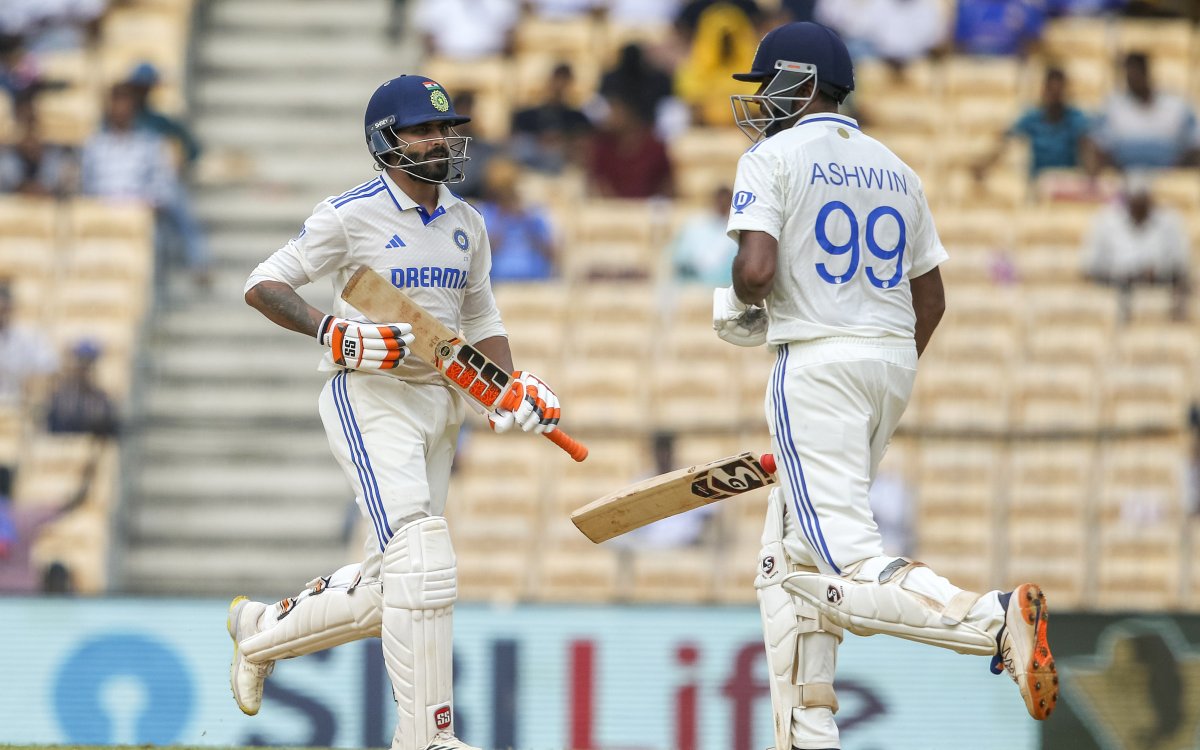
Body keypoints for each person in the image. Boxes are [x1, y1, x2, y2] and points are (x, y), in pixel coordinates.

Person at [715, 22, 1057, 750]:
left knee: (848, 560)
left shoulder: (770, 156)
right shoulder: (898, 168)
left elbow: (754, 272)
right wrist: (884, 371)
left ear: (803, 85)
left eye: (770, 84)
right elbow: (930, 301)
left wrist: (746, 310)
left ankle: (991, 620)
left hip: (815, 365)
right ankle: (810, 733)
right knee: (787, 563)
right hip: (887, 364)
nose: (761, 102)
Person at [227, 74, 564, 750]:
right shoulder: (348, 215)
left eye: (446, 128)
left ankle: (260, 633)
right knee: (424, 556)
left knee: (397, 585)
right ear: (388, 141)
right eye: (426, 129)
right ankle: (428, 738)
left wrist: (508, 388)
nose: (443, 139)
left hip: (438, 404)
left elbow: (479, 316)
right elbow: (261, 283)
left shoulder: (467, 225)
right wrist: (331, 330)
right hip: (369, 395)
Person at [81, 83, 210, 287]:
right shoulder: (94, 146)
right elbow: (86, 186)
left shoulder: (149, 144)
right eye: (116, 104)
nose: (120, 110)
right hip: (103, 217)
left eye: (125, 104)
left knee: (160, 236)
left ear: (133, 108)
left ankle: (167, 286)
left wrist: (146, 202)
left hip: (139, 215)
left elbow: (162, 184)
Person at [1083, 173, 1190, 320]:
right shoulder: (1105, 220)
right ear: (1127, 200)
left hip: (1159, 286)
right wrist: (1121, 274)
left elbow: (1181, 264)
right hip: (1115, 287)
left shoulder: (1170, 221)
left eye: (1143, 202)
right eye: (1134, 202)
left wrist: (1158, 271)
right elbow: (1089, 267)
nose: (1138, 208)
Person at [973, 67, 1093, 181]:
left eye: (1058, 93)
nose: (1055, 97)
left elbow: (1088, 144)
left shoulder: (1076, 119)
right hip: (1039, 183)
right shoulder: (1032, 118)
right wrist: (985, 165)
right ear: (1044, 90)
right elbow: (1007, 141)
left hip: (1066, 182)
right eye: (1051, 92)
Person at [1088, 52, 1200, 171]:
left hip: (1170, 180)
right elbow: (1098, 144)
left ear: (1146, 72)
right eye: (1128, 74)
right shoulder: (1113, 107)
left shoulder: (1175, 106)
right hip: (1124, 178)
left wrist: (1176, 171)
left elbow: (1195, 144)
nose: (1132, 78)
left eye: (1136, 73)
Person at [477, 158, 557, 281]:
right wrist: (502, 217)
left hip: (536, 281)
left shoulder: (534, 213)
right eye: (502, 188)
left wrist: (528, 221)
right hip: (497, 283)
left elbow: (552, 253)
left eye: (509, 186)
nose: (506, 193)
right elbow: (479, 256)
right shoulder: (483, 214)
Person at [509, 62, 593, 175]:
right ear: (549, 81)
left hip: (564, 169)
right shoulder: (526, 116)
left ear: (570, 84)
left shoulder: (578, 118)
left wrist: (562, 141)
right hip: (531, 168)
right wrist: (541, 141)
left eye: (564, 81)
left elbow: (583, 146)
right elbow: (516, 146)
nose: (559, 86)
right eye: (557, 80)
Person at [586, 95, 674, 198]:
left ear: (631, 113)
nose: (610, 115)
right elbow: (597, 183)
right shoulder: (602, 147)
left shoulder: (655, 147)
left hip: (648, 208)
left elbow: (666, 184)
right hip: (612, 208)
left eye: (616, 109)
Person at [124, 62, 203, 171]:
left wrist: (180, 164)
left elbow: (192, 147)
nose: (141, 93)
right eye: (138, 88)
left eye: (145, 88)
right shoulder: (118, 121)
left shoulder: (158, 122)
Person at [45, 339, 118, 437]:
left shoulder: (101, 400)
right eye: (81, 363)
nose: (85, 369)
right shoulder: (60, 399)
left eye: (89, 364)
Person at [668, 185, 738, 285]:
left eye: (725, 201)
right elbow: (679, 257)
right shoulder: (695, 224)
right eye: (719, 200)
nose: (722, 204)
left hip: (719, 283)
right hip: (689, 280)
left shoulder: (735, 233)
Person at [953, 0, 1046, 57]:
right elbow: (959, 43)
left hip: (1011, 64)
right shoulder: (967, 6)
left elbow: (1035, 43)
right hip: (972, 64)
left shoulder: (1023, 7)